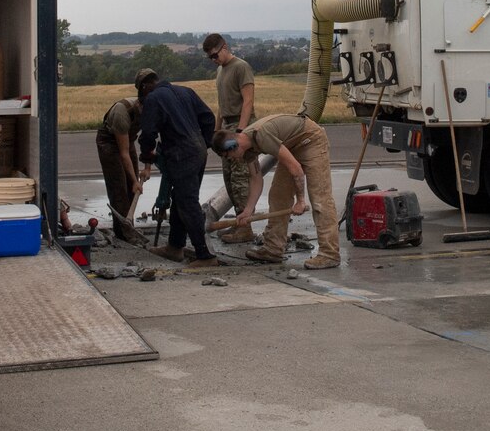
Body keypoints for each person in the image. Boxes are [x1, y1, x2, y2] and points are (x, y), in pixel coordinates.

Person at [212, 113, 340, 269]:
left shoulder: (262, 136)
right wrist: (248, 211)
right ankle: (273, 248)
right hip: (292, 146)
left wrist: (300, 201)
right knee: (278, 195)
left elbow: (296, 169)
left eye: (229, 156)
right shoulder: (247, 149)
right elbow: (256, 179)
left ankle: (329, 254)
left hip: (311, 140)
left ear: (233, 145)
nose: (232, 160)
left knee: (320, 198)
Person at [135, 70, 218, 264]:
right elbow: (208, 118)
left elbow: (148, 132)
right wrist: (203, 143)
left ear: (145, 86)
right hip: (198, 151)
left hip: (181, 154)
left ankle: (204, 255)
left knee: (188, 203)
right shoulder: (185, 91)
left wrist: (147, 153)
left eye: (141, 92)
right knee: (180, 199)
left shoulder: (153, 98)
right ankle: (175, 247)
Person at [203, 33, 259, 243]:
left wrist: (241, 132)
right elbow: (221, 105)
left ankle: (246, 228)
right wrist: (216, 132)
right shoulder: (220, 70)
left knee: (240, 179)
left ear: (225, 47)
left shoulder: (241, 67)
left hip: (239, 126)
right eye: (210, 58)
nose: (214, 60)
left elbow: (248, 101)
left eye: (215, 55)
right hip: (226, 126)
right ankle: (239, 223)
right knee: (229, 179)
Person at [97, 69, 153, 245]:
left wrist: (147, 168)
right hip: (109, 143)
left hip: (127, 140)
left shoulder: (150, 110)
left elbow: (148, 140)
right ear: (140, 105)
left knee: (132, 186)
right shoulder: (122, 112)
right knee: (119, 186)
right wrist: (135, 180)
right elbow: (123, 153)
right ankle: (122, 233)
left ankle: (129, 224)